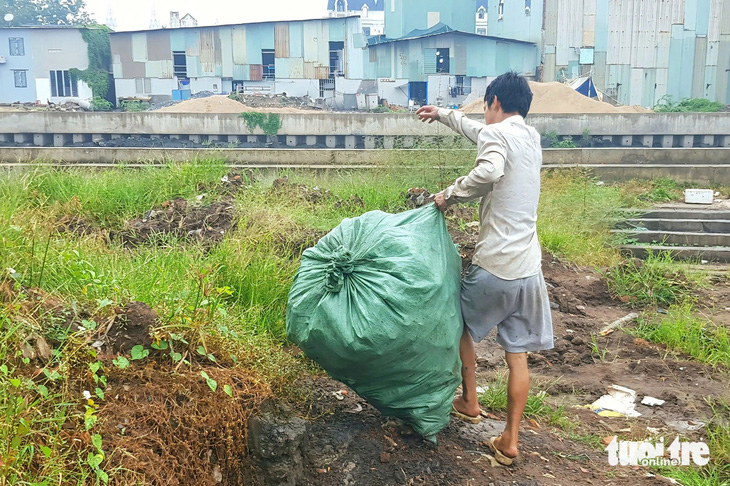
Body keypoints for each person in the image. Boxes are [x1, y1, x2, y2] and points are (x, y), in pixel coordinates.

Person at [416, 71, 553, 466]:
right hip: (530, 270)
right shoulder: (530, 137)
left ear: (494, 102)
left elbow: (490, 168)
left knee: (459, 324)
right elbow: (482, 133)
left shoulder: (497, 137)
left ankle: (470, 399)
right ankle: (509, 440)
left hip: (495, 265)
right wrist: (444, 114)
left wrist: (448, 195)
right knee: (518, 356)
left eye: (486, 106)